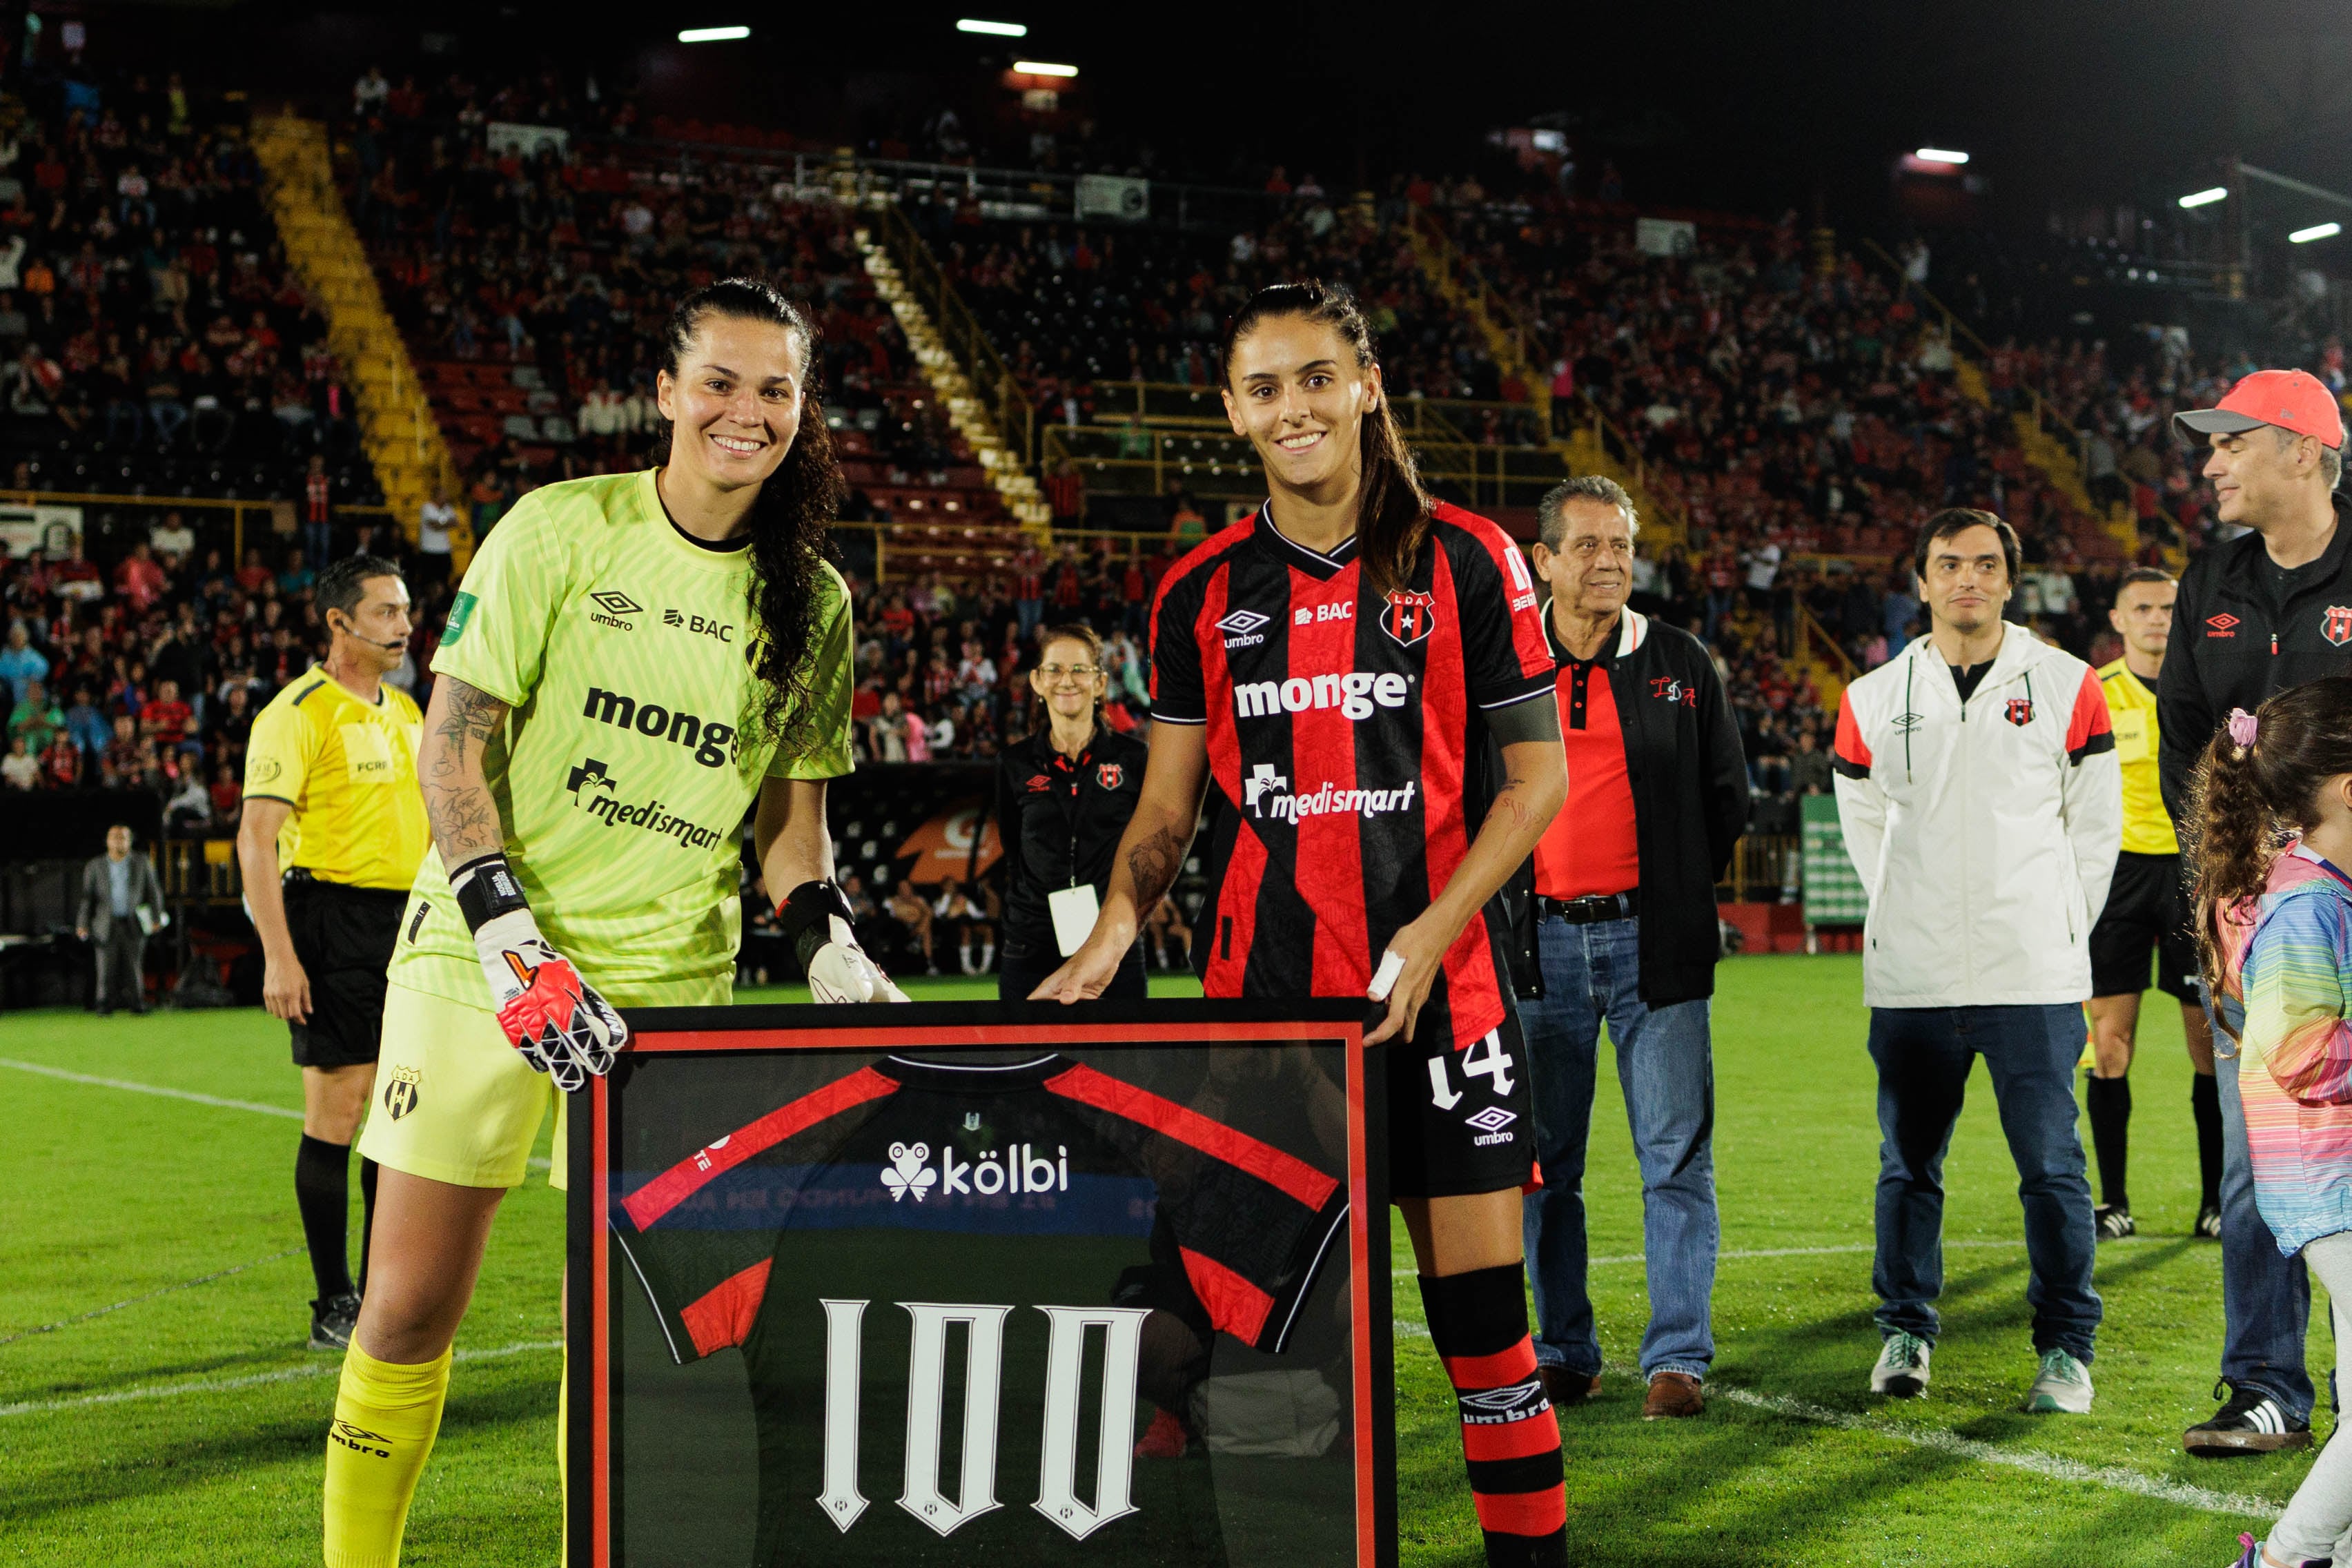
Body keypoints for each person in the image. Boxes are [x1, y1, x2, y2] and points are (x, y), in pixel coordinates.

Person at [322, 280, 894, 1568]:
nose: (745, 412)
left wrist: (829, 942)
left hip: (670, 1006)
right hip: (483, 963)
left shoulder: (813, 603)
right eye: (721, 381)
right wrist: (507, 933)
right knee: (408, 1304)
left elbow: (789, 833)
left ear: (802, 412)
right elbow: (452, 750)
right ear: (665, 393)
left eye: (775, 390)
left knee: (644, 1340)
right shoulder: (559, 530)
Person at [1036, 282, 1571, 1567]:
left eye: (1317, 377)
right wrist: (1114, 925)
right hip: (1268, 1019)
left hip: (1449, 1004)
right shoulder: (1194, 596)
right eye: (1264, 388)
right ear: (1231, 412)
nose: (1294, 408)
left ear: (1366, 382)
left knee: (1488, 1334)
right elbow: (1166, 810)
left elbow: (1536, 777)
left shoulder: (1468, 557)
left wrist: (1435, 930)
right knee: (1269, 1349)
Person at [1832, 508, 2120, 1412]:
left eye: (1986, 565)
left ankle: (2066, 1349)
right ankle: (1906, 1335)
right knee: (1908, 1167)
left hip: (2031, 974)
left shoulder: (2068, 683)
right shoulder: (1872, 698)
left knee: (2054, 1170)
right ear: (1921, 582)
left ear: (2010, 580)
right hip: (1914, 981)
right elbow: (1864, 827)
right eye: (1949, 565)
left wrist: (2055, 924)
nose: (1968, 579)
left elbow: (2097, 830)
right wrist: (1906, 913)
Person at [1516, 475, 1750, 1421]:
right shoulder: (1500, 661)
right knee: (1543, 1168)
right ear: (1544, 559)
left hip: (1654, 944)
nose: (1609, 562)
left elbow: (1726, 798)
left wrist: (1678, 893)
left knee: (1675, 1160)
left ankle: (1678, 1360)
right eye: (1587, 546)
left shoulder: (1681, 660)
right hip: (1534, 949)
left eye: (1620, 545)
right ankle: (1564, 1350)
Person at [2162, 369, 2352, 1456]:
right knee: (2257, 1160)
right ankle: (2266, 1387)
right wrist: (2230, 890)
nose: (2211, 463)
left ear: (2302, 453)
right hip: (2259, 921)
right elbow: (2191, 742)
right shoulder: (2211, 578)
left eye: (2230, 443)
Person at [237, 553, 423, 1351]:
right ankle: (332, 1302)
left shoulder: (412, 711)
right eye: (384, 612)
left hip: (406, 926)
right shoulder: (297, 712)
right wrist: (280, 956)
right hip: (330, 918)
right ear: (338, 623)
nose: (404, 626)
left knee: (395, 1117)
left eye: (407, 610)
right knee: (339, 1112)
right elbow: (255, 839)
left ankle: (380, 1293)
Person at [2192, 681, 2352, 1568]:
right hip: (2331, 1182)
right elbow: (2300, 1051)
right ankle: (2287, 1556)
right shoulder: (2305, 905)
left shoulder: (2319, 887)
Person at [2084, 566, 2223, 1244]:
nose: (2157, 619)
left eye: (2168, 607)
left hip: (2195, 869)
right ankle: (2111, 1201)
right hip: (2117, 877)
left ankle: (2217, 1202)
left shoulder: (2204, 686)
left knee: (2209, 1041)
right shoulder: (2094, 692)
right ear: (2118, 619)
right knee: (2110, 1044)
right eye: (2142, 608)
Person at [994, 620, 1149, 1000]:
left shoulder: (1133, 758)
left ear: (1099, 683)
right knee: (1026, 1059)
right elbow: (1013, 847)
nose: (1068, 680)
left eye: (1080, 670)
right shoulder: (1015, 763)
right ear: (1037, 682)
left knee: (1119, 1060)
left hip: (1111, 944)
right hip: (1030, 945)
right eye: (1056, 670)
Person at [76, 823, 164, 1015]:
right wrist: (82, 923)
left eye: (123, 837)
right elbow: (87, 898)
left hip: (134, 923)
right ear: (107, 842)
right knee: (105, 968)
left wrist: (157, 917)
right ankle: (104, 1004)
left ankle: (137, 1003)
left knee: (134, 967)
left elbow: (153, 891)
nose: (119, 842)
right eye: (114, 837)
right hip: (105, 924)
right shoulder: (96, 866)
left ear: (130, 841)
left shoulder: (141, 862)